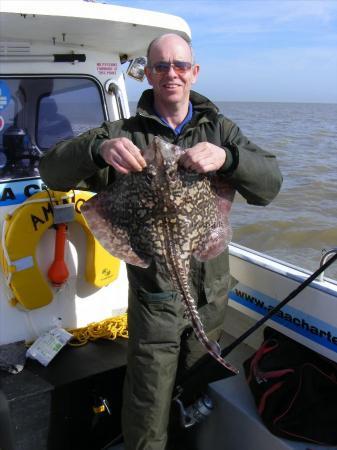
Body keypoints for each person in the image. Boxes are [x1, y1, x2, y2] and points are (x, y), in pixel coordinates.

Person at [39, 33, 282, 450]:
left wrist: (229, 158)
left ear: (194, 72)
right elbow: (52, 172)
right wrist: (99, 148)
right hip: (155, 303)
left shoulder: (219, 129)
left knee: (193, 397)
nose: (172, 73)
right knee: (148, 406)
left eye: (180, 65)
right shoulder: (125, 134)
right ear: (147, 74)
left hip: (211, 297)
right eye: (162, 66)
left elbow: (270, 186)